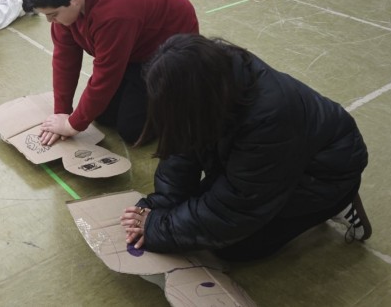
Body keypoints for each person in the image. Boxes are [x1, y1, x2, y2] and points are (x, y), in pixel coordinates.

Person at [120, 34, 371, 262]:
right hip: (278, 159)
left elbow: (234, 211)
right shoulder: (209, 80)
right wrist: (161, 204)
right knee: (196, 216)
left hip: (325, 172)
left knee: (233, 246)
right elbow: (183, 144)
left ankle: (340, 200)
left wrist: (157, 228)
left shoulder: (269, 117)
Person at [19, 0, 199, 145]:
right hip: (133, 47)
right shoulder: (66, 5)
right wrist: (62, 113)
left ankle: (181, 96)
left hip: (169, 49)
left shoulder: (112, 14)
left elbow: (107, 74)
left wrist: (72, 125)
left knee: (133, 131)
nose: (50, 21)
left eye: (52, 15)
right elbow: (65, 61)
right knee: (103, 116)